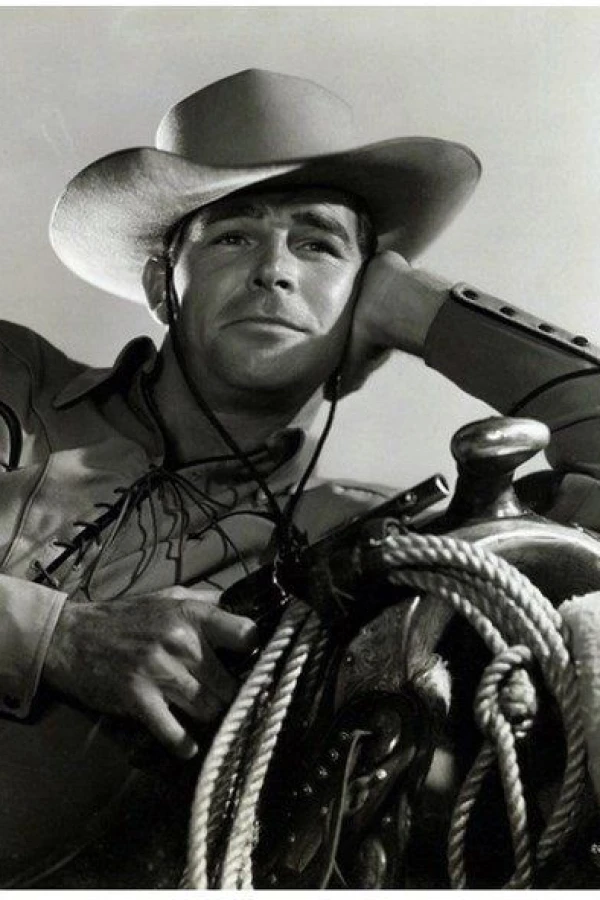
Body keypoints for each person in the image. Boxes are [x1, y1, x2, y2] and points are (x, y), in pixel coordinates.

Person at [2, 68, 600, 885]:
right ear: (161, 287)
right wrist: (59, 637)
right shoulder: (14, 382)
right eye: (233, 237)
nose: (273, 271)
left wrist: (421, 308)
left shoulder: (373, 546)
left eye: (318, 244)